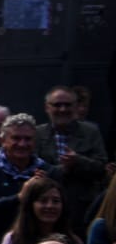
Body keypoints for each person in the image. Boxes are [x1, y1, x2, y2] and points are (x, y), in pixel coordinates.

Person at [35, 84, 107, 232]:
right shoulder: (37, 134)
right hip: (46, 212)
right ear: (47, 107)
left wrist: (78, 161)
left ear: (75, 107)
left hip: (82, 210)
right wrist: (60, 170)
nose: (63, 109)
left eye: (67, 105)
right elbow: (33, 167)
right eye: (57, 105)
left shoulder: (90, 131)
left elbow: (102, 168)